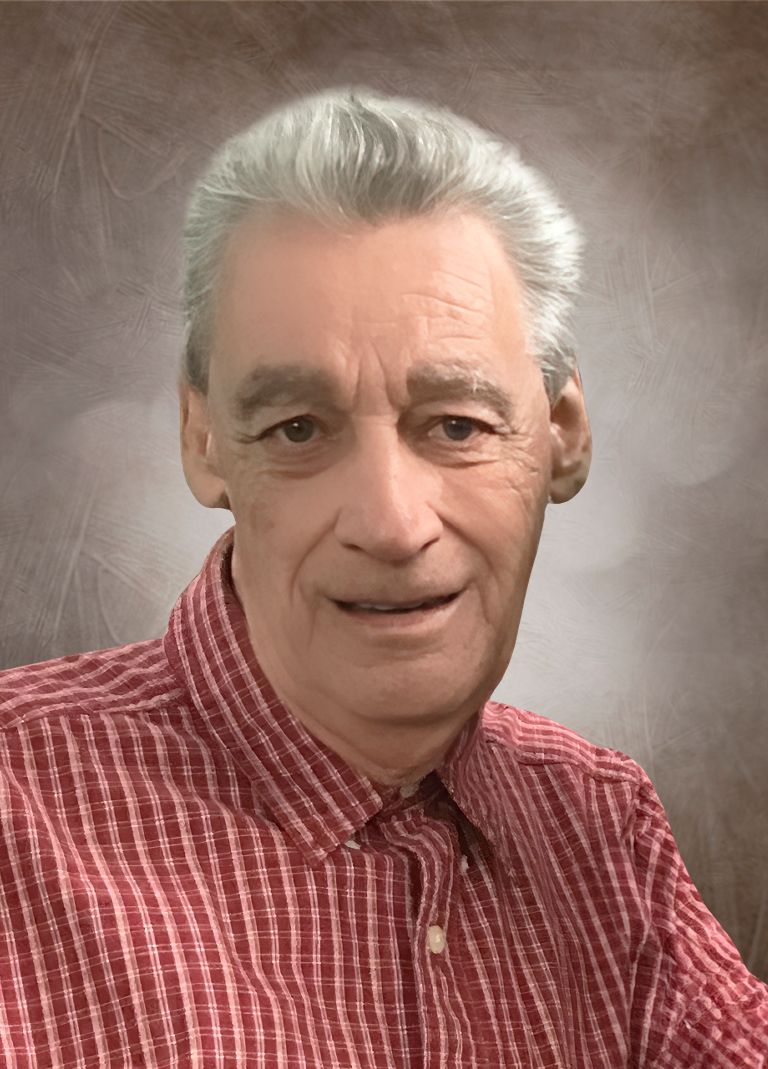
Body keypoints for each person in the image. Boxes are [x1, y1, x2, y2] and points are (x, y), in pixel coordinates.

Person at [0, 86, 765, 1068]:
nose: (393, 526)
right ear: (203, 440)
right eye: (299, 429)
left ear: (563, 435)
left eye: (456, 425)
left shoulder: (601, 828)